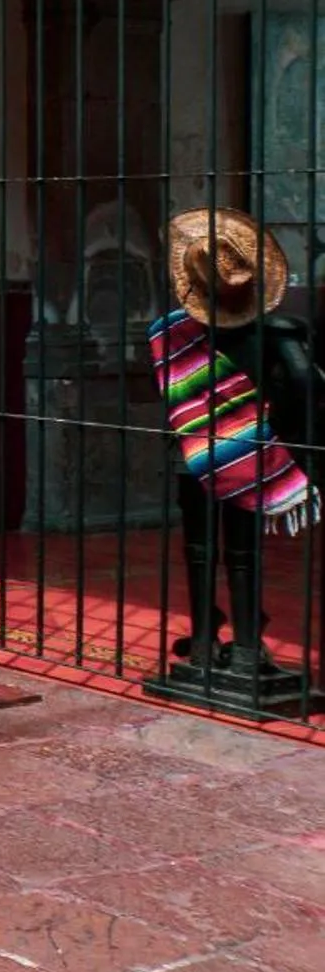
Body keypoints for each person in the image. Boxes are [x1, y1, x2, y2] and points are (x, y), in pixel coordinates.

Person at [149, 208, 320, 680]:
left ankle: (205, 641)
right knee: (243, 552)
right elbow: (306, 383)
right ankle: (245, 647)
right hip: (249, 451)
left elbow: (169, 394)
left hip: (191, 452)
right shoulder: (276, 331)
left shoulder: (170, 333)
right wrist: (279, 428)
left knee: (199, 549)